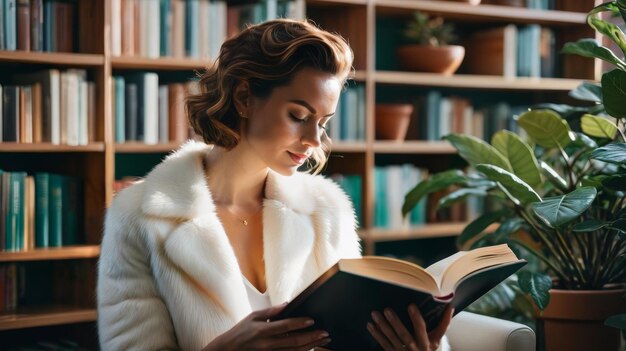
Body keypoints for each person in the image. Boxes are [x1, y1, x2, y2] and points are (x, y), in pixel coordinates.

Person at [97, 18, 452, 351]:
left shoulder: (326, 210)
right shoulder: (139, 217)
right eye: (298, 116)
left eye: (323, 122)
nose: (314, 139)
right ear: (244, 98)